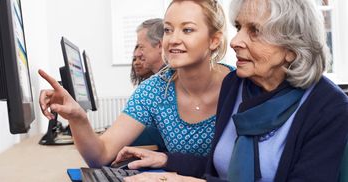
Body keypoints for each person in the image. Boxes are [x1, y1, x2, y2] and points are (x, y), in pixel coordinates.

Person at [113, 0, 348, 181]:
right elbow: (220, 169)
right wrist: (166, 160)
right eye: (238, 27)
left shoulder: (328, 107)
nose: (235, 40)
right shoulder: (234, 85)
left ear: (292, 47)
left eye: (254, 30)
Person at [38, 0, 232, 168]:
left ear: (214, 40)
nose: (173, 39)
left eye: (187, 30)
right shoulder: (153, 90)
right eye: (168, 30)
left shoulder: (240, 85)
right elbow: (100, 155)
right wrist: (77, 118)